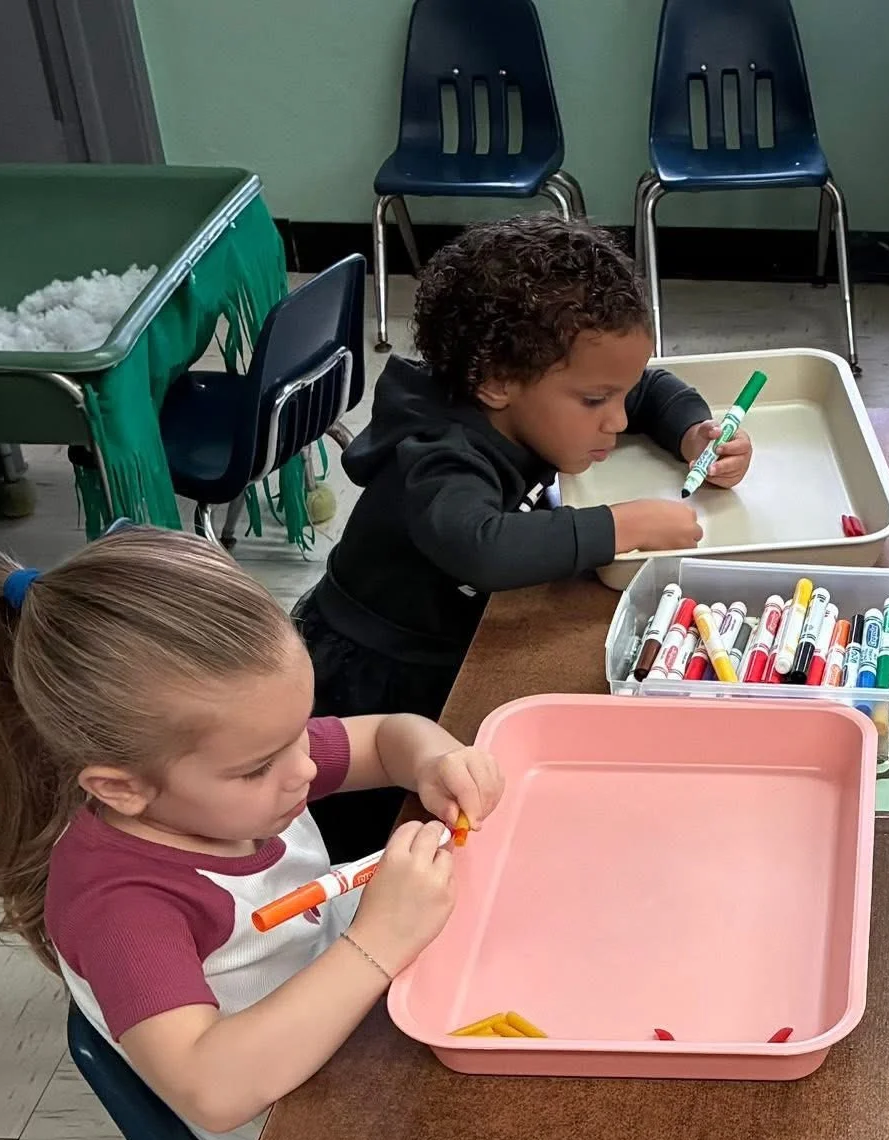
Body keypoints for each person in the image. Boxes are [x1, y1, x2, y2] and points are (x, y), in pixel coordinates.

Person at [0, 528, 502, 1140]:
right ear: (120, 789)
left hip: (344, 1004)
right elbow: (210, 1087)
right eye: (259, 767)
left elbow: (385, 738)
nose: (303, 769)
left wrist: (437, 760)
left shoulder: (235, 773)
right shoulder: (120, 906)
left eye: (300, 731)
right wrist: (379, 942)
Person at [297, 216, 751, 861]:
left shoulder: (526, 391)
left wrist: (694, 430)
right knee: (389, 842)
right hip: (380, 675)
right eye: (596, 400)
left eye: (617, 395)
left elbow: (648, 385)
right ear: (496, 383)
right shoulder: (440, 454)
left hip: (459, 636)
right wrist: (623, 524)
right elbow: (483, 547)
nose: (618, 419)